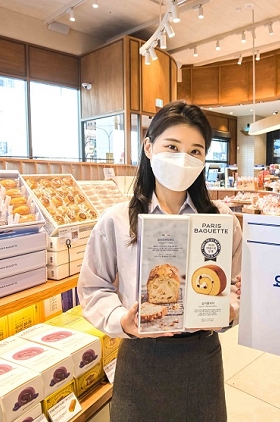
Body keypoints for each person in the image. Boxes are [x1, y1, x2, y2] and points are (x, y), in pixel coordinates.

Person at [77, 101, 242, 422]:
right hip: (140, 357)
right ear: (149, 147)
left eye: (195, 151)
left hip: (201, 356)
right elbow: (93, 287)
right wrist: (122, 320)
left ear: (204, 159)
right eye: (172, 147)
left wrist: (230, 311)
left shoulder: (222, 220)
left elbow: (239, 284)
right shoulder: (118, 219)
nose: (183, 158)